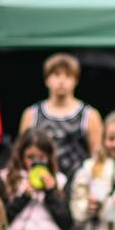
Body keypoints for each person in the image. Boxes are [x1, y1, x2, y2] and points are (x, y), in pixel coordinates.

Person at [17, 53, 103, 184]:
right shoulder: (31, 114)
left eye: (68, 76)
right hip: (40, 186)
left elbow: (97, 158)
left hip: (77, 186)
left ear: (76, 80)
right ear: (47, 79)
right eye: (56, 75)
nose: (61, 81)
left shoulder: (90, 115)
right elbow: (20, 155)